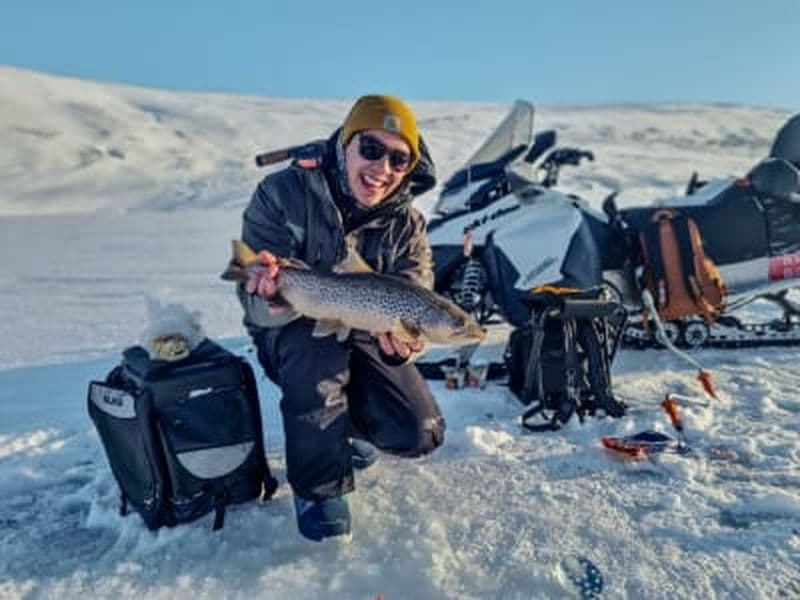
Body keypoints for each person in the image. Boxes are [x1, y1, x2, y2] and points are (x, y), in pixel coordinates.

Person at [237, 95, 445, 542]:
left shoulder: (408, 225)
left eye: (398, 158)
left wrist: (409, 343)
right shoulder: (281, 193)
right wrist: (269, 292)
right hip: (293, 332)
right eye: (371, 148)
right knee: (317, 355)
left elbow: (417, 293)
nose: (382, 168)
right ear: (345, 144)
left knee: (420, 432)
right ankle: (319, 489)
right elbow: (252, 298)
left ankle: (348, 430)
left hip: (367, 328)